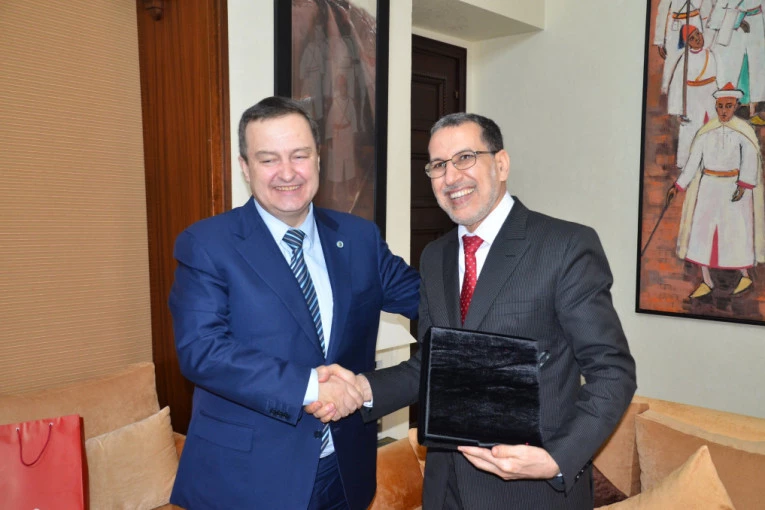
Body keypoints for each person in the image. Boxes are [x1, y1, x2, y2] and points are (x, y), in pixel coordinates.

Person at [310, 113, 637, 509]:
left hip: (531, 493)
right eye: (438, 165)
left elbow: (612, 371)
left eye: (465, 158)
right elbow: (433, 366)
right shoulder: (436, 256)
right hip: (445, 488)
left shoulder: (564, 246)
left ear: (501, 164)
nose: (451, 177)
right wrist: (362, 389)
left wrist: (556, 460)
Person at [168, 96, 419, 509]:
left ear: (318, 157)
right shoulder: (207, 244)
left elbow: (435, 304)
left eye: (299, 155)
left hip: (345, 471)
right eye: (268, 159)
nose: (287, 173)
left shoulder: (360, 238)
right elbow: (203, 352)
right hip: (248, 480)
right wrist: (313, 386)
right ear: (245, 167)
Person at [666, 82, 765, 298]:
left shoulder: (744, 132)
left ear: (735, 106)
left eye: (728, 106)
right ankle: (707, 281)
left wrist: (744, 184)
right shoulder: (706, 132)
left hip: (734, 189)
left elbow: (750, 160)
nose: (723, 111)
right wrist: (678, 186)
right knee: (703, 232)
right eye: (720, 106)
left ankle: (744, 276)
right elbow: (693, 163)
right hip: (708, 187)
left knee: (736, 232)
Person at [662, 24, 720, 167]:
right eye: (692, 38)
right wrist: (678, 110)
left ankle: (712, 161)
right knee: (691, 129)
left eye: (698, 34)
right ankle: (687, 163)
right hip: (692, 98)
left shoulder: (711, 54)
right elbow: (676, 85)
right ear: (687, 42)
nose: (697, 39)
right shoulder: (685, 59)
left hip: (711, 95)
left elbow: (721, 77)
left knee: (713, 126)